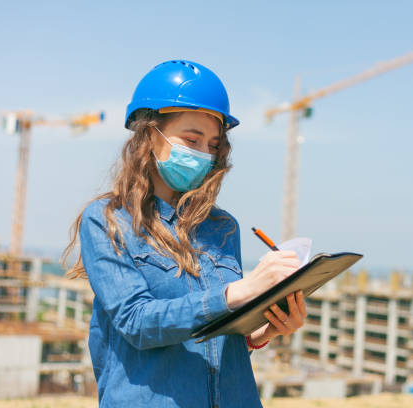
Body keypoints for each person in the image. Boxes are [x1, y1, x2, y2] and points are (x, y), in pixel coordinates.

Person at [61, 60, 308, 407]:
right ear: (149, 135)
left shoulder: (224, 228)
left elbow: (212, 339)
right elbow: (137, 323)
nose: (203, 154)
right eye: (191, 139)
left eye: (212, 144)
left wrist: (259, 333)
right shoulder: (107, 221)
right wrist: (240, 291)